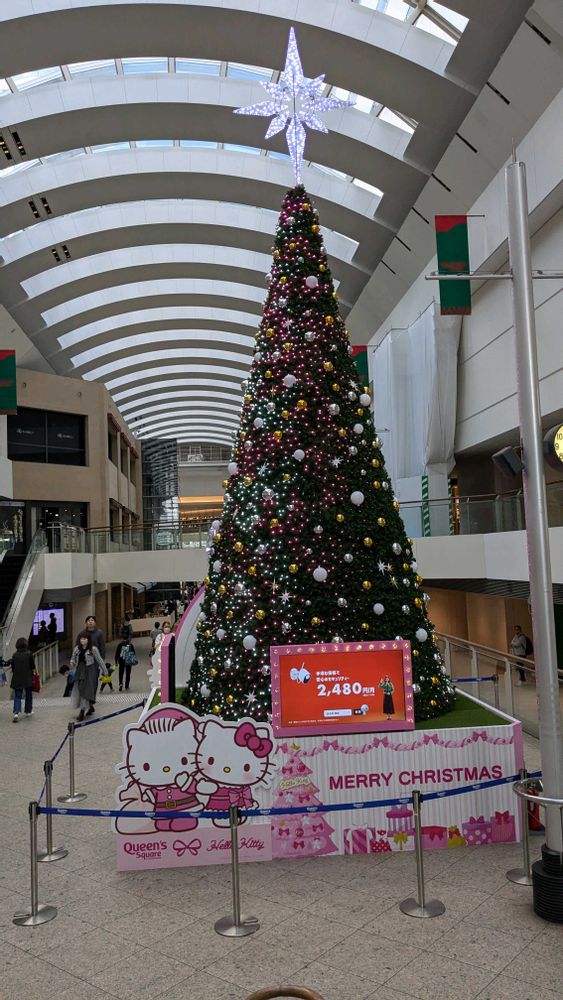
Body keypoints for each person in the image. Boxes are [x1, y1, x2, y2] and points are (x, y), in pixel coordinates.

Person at [70, 630, 105, 721]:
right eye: (81, 639)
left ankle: (82, 711)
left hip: (90, 670)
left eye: (85, 639)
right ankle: (89, 706)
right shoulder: (77, 649)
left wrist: (105, 671)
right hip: (80, 670)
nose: (83, 640)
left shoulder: (93, 649)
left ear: (88, 640)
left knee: (88, 689)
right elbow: (73, 659)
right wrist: (72, 663)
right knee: (80, 688)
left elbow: (99, 660)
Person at [6, 637, 37, 722]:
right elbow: (32, 666)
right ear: (25, 644)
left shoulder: (14, 655)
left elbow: (13, 667)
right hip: (27, 678)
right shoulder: (29, 654)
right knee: (28, 695)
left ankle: (16, 713)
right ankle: (28, 711)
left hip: (17, 678)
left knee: (17, 695)